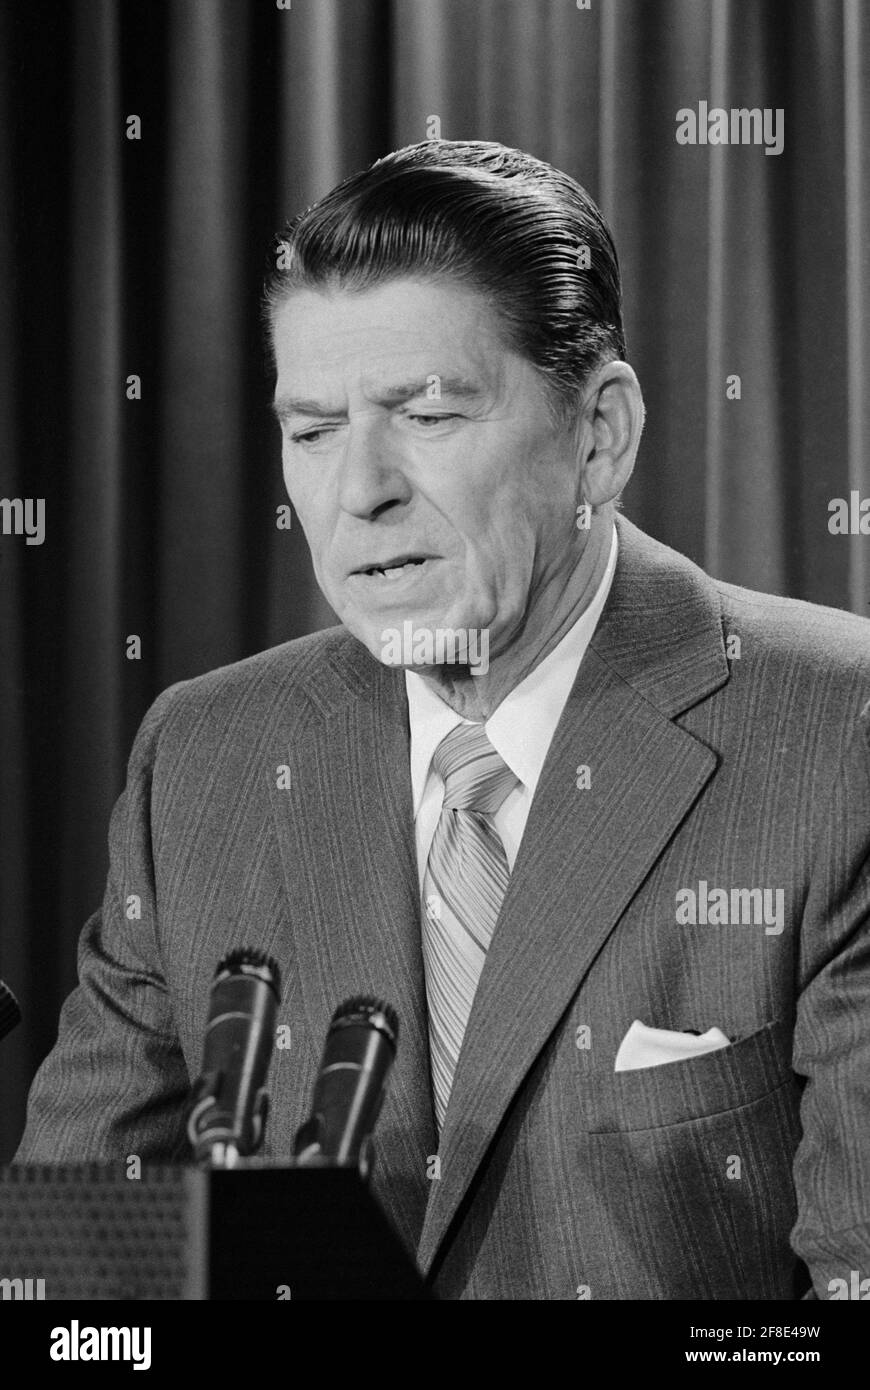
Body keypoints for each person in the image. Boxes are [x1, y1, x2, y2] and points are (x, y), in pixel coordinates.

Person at [14, 141, 870, 1300]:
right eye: (313, 430)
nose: (357, 489)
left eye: (425, 412)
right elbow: (74, 1270)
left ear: (599, 435)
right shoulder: (204, 757)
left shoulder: (835, 735)